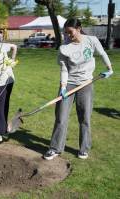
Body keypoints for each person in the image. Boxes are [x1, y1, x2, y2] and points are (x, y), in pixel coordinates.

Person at [43, 18, 113, 160]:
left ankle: (84, 148)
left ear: (79, 29)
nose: (68, 36)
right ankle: (55, 148)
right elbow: (64, 69)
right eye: (66, 33)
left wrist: (109, 69)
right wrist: (63, 87)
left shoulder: (91, 40)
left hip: (86, 83)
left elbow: (102, 53)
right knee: (61, 117)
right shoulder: (64, 47)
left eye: (70, 32)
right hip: (69, 84)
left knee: (84, 117)